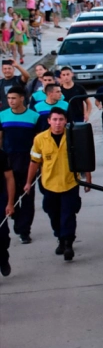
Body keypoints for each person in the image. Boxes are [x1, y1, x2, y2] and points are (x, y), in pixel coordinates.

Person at [25, 108, 91, 261]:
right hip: (49, 184)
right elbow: (34, 162)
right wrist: (28, 182)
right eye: (54, 120)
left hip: (70, 183)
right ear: (49, 121)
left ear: (65, 121)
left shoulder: (73, 136)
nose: (58, 123)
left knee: (68, 214)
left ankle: (68, 243)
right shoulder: (40, 139)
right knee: (53, 214)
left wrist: (88, 179)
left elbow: (84, 157)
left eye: (61, 120)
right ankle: (60, 238)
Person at [0, 86, 39, 244]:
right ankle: (17, 218)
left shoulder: (34, 117)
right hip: (8, 161)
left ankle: (25, 230)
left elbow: (38, 140)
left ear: (22, 98)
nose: (11, 101)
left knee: (27, 196)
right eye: (9, 98)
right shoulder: (2, 116)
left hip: (27, 160)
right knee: (12, 195)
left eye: (14, 98)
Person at [0, 148, 15, 276]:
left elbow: (9, 178)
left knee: (2, 234)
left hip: (0, 198)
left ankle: (3, 258)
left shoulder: (1, 155)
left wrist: (10, 203)